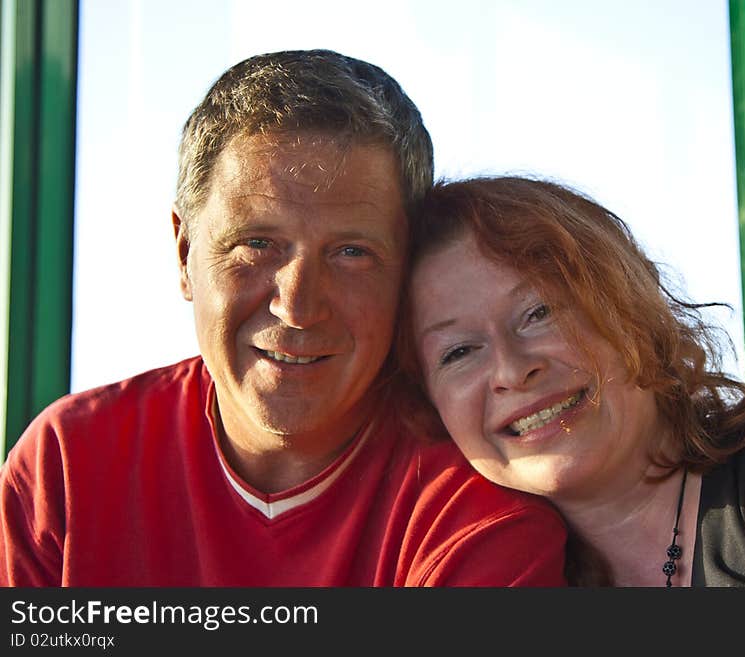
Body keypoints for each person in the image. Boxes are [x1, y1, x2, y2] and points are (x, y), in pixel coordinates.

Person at [0, 52, 568, 586]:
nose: (297, 305)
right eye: (257, 244)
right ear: (183, 253)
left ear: (407, 272)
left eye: (351, 253)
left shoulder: (480, 503)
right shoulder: (69, 466)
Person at [398, 175, 745, 586]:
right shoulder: (501, 574)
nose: (510, 369)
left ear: (626, 308)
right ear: (429, 408)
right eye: (458, 352)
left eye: (538, 313)